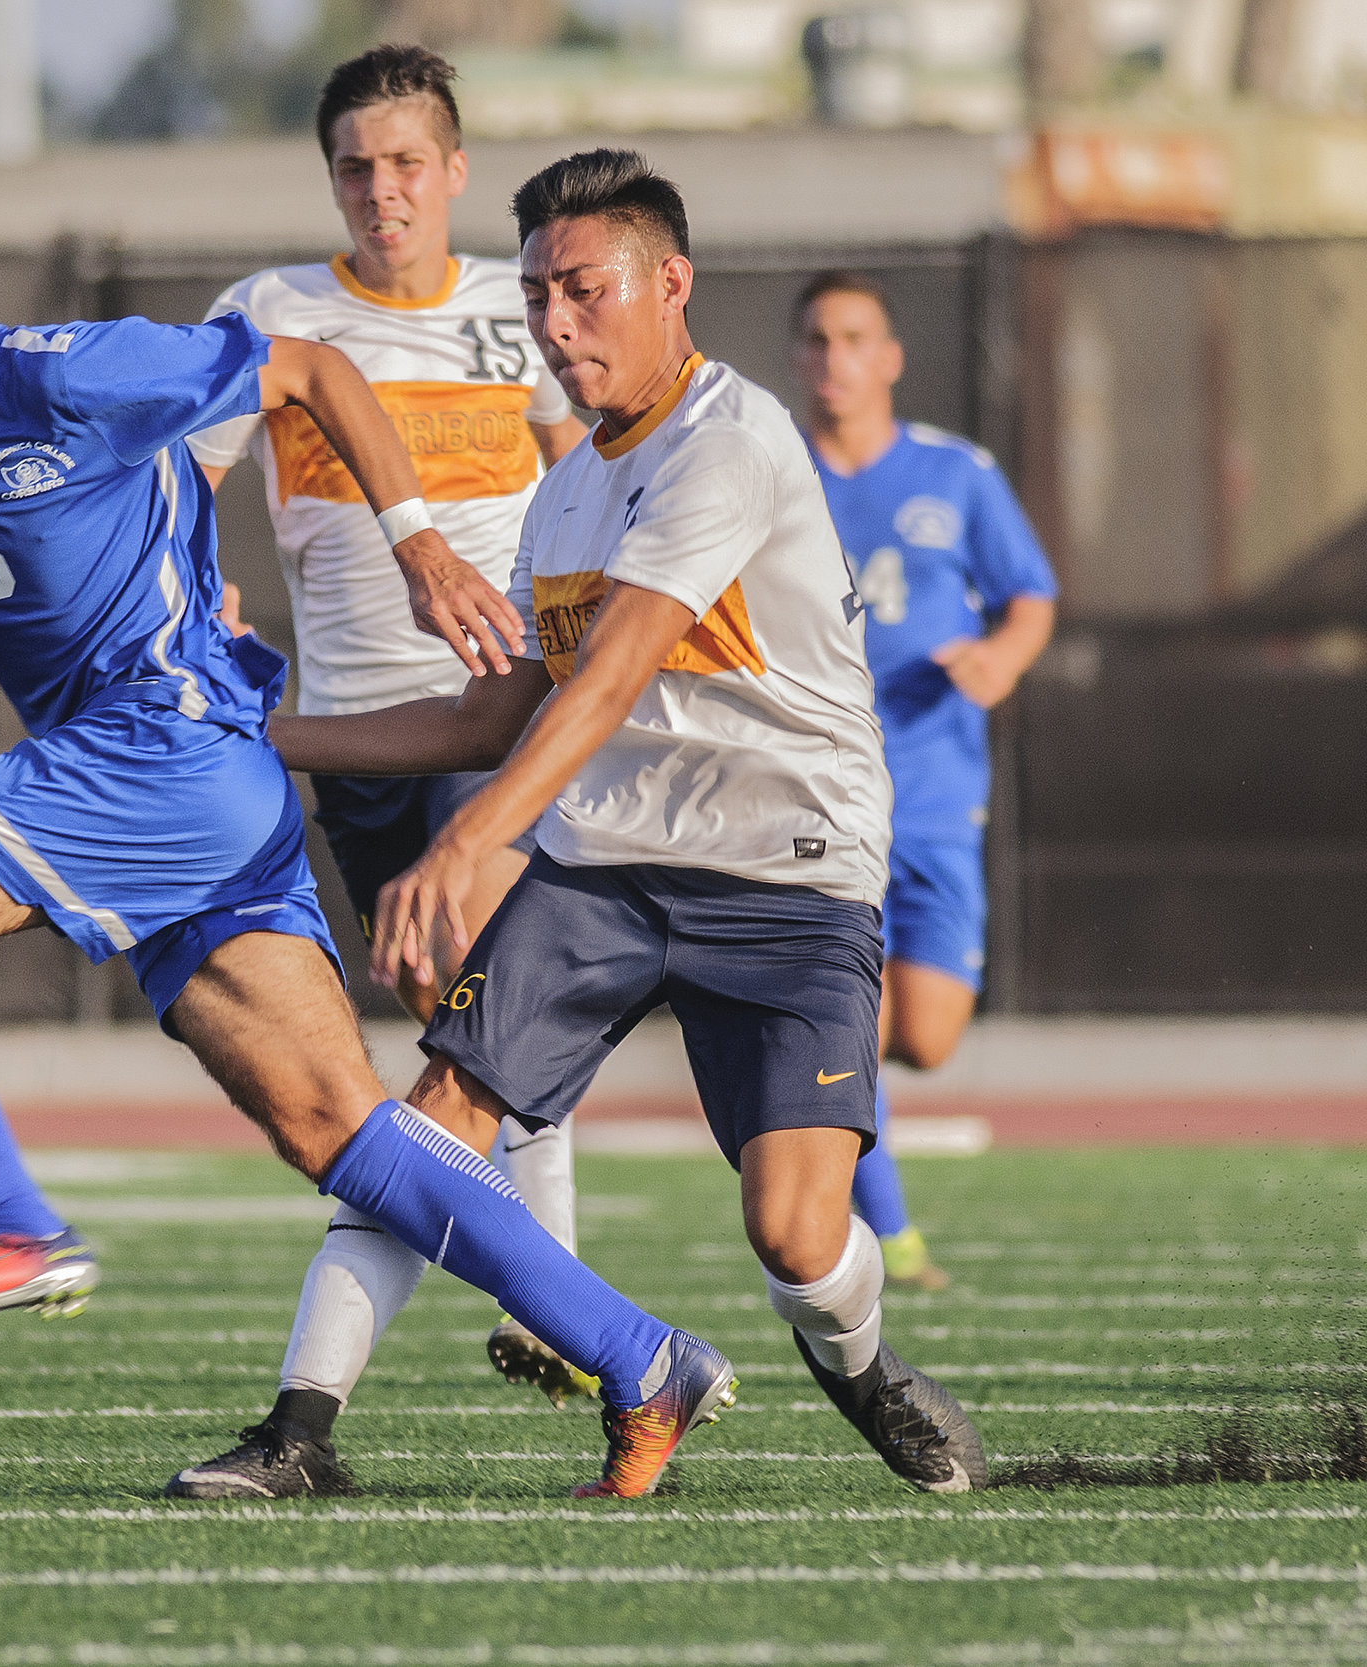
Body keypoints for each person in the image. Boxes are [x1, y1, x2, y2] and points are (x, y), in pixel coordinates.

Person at [0, 131, 737, 1499]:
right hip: (188, 777)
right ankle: (641, 1349)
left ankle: (16, 1224)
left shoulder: (59, 375)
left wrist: (417, 542)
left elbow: (307, 364)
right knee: (340, 1125)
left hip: (166, 741)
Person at [263, 149, 989, 1496]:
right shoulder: (569, 489)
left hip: (788, 875)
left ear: (672, 284)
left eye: (584, 290)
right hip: (608, 867)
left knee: (794, 1233)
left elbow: (608, 679)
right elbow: (495, 718)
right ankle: (298, 1429)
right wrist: (265, 735)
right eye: (538, 293)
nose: (554, 323)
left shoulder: (733, 440)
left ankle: (868, 1367)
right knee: (427, 1123)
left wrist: (468, 841)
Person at [168, 45, 600, 1503]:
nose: (381, 189)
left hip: (500, 725)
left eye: (407, 161)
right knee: (457, 1031)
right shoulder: (274, 315)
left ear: (455, 170)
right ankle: (560, 1299)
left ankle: (549, 1308)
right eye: (355, 165)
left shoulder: (518, 310)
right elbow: (184, 476)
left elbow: (591, 471)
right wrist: (196, 601)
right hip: (352, 733)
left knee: (464, 1032)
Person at [795, 270, 1058, 1292]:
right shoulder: (776, 474)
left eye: (855, 336)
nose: (835, 357)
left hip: (939, 789)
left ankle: (827, 1084)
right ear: (797, 355)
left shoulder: (956, 473)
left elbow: (1028, 594)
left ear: (890, 356)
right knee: (847, 1020)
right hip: (822, 793)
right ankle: (891, 1235)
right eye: (816, 339)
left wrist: (998, 659)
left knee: (930, 1036)